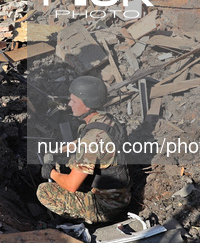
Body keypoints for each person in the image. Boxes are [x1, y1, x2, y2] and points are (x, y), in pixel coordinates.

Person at [37, 76, 132, 223]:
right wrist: (59, 151)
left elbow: (71, 185)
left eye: (74, 101)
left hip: (104, 207)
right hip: (120, 196)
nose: (69, 104)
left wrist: (51, 172)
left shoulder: (90, 142)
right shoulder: (107, 120)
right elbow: (86, 139)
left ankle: (83, 221)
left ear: (88, 105)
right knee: (69, 162)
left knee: (44, 191)